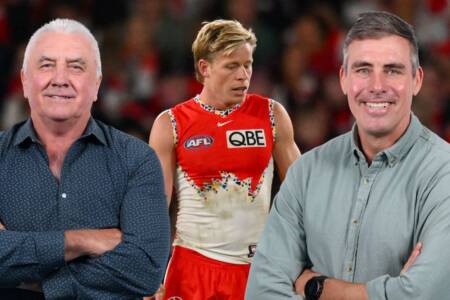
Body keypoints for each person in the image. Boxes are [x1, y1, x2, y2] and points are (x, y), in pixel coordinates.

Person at [246, 11, 450, 300]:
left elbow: (423, 294)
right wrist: (390, 290)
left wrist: (316, 287)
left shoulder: (444, 174)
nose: (377, 86)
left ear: (416, 80)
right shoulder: (306, 171)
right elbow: (261, 291)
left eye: (392, 70)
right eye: (363, 69)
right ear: (343, 79)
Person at [0, 19, 170, 299]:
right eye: (46, 65)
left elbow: (146, 269)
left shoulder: (136, 160)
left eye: (76, 67)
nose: (60, 78)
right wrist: (81, 241)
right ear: (24, 81)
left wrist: (33, 283)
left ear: (96, 85)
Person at [149, 19, 300, 300]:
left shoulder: (272, 115)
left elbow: (304, 196)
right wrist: (148, 273)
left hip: (256, 269)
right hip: (192, 268)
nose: (243, 75)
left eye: (248, 64)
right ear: (205, 68)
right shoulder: (170, 124)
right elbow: (156, 206)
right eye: (232, 66)